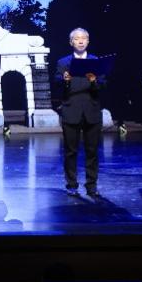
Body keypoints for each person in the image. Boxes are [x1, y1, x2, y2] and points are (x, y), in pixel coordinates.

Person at [55, 27, 106, 199]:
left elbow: (103, 84)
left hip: (91, 110)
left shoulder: (95, 61)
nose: (81, 41)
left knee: (92, 152)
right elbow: (56, 83)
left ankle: (92, 186)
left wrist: (94, 81)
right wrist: (65, 80)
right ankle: (71, 185)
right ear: (71, 42)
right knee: (71, 151)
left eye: (84, 38)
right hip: (71, 110)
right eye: (77, 38)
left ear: (88, 41)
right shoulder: (63, 62)